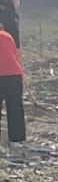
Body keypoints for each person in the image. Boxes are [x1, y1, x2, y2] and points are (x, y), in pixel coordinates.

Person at [0, 26, 26, 154]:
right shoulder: (8, 36)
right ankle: (17, 140)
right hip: (14, 75)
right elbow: (15, 56)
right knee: (15, 107)